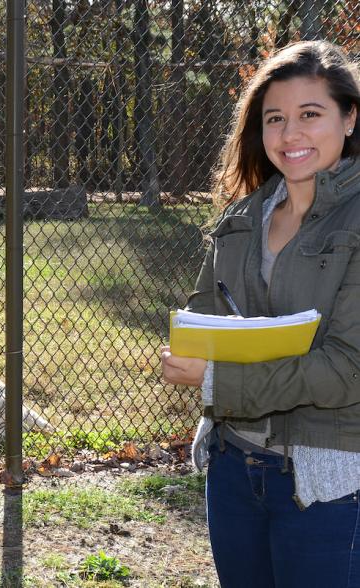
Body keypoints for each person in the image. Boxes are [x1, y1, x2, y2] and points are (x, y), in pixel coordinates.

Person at [161, 40, 360, 588]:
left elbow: (347, 369)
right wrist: (186, 354)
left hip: (328, 483)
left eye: (310, 115)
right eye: (275, 118)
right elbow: (203, 320)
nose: (290, 134)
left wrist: (216, 378)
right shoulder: (243, 217)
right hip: (233, 466)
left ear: (349, 118)